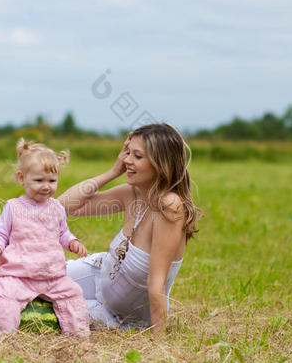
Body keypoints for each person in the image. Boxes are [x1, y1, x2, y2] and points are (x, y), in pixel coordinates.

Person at [59, 123, 201, 335]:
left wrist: (160, 343)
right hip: (99, 276)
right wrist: (112, 172)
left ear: (160, 163)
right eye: (127, 153)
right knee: (33, 278)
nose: (127, 160)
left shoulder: (169, 207)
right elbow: (64, 206)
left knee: (56, 309)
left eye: (137, 156)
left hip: (120, 315)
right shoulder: (134, 193)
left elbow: (156, 283)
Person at [0, 138, 90, 338]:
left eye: (52, 181)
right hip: (19, 275)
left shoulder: (57, 208)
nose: (46, 187)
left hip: (52, 275)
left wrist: (72, 242)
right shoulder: (13, 207)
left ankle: (78, 336)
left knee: (73, 295)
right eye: (39, 181)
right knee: (4, 299)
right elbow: (0, 232)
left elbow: (63, 233)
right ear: (22, 178)